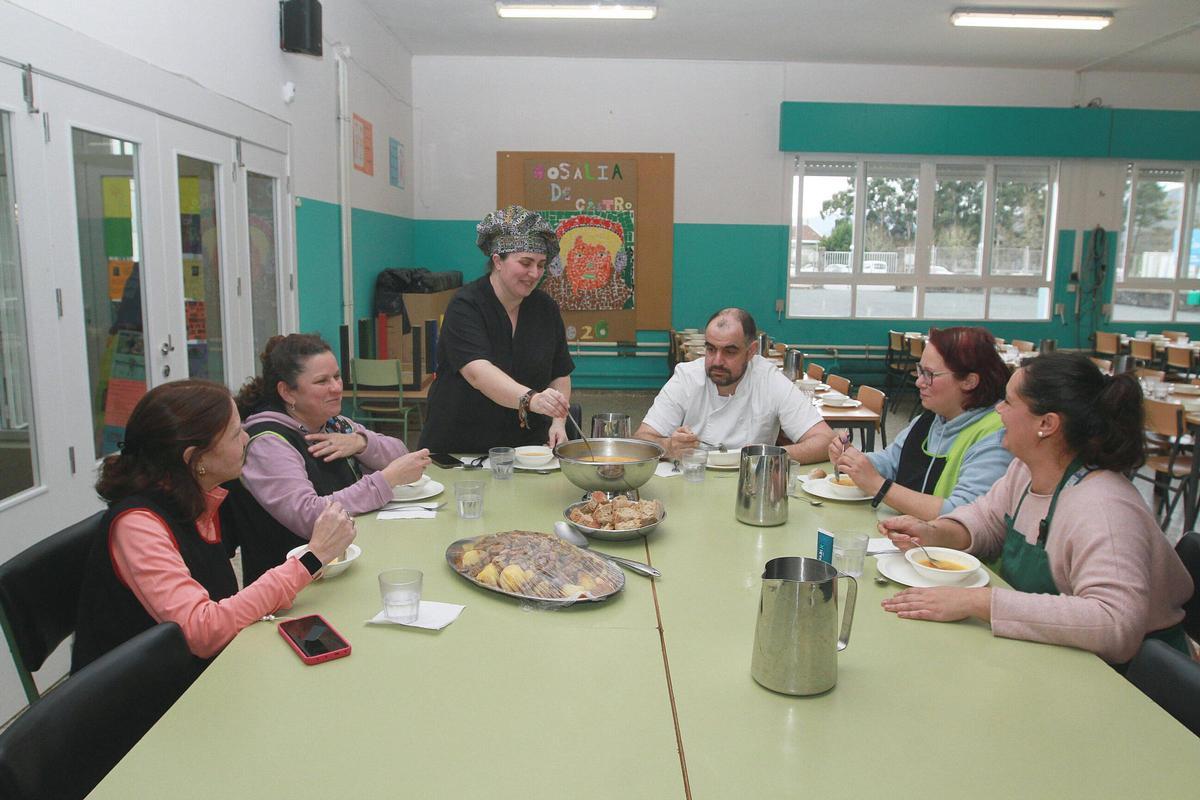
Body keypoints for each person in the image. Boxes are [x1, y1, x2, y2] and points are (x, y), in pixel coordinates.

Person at [879, 352, 1193, 665]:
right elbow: (986, 521)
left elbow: (1114, 623)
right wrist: (934, 533)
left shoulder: (1104, 507)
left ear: (1047, 423)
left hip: (1139, 680)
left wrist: (980, 603)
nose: (998, 410)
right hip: (1061, 652)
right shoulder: (1026, 471)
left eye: (1009, 402)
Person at [72, 380, 356, 673]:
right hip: (149, 698)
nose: (247, 440)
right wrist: (310, 559)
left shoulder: (201, 494)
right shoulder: (138, 525)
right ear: (196, 459)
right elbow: (203, 632)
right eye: (236, 434)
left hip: (205, 668)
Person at [226, 334, 430, 583]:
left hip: (345, 566)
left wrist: (361, 443)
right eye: (322, 381)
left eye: (337, 376)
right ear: (287, 392)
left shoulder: (334, 424)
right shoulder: (268, 442)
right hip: (294, 588)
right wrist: (384, 481)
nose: (336, 387)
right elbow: (309, 516)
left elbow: (402, 457)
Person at [419, 205, 573, 453]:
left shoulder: (545, 309)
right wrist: (532, 399)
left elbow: (560, 373)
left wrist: (558, 422)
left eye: (541, 264)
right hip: (461, 447)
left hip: (526, 447)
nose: (535, 273)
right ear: (497, 261)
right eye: (526, 263)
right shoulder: (466, 305)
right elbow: (479, 373)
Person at [830, 327, 1012, 519]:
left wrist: (879, 486)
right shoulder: (931, 418)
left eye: (930, 374)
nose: (919, 382)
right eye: (920, 371)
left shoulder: (997, 436)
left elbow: (965, 514)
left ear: (969, 381)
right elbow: (891, 461)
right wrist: (852, 459)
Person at [634, 308, 834, 463]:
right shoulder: (686, 377)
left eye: (729, 352)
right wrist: (669, 446)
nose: (717, 361)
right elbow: (642, 440)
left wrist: (765, 456)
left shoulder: (769, 380)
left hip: (751, 485)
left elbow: (825, 441)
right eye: (711, 349)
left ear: (751, 351)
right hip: (692, 479)